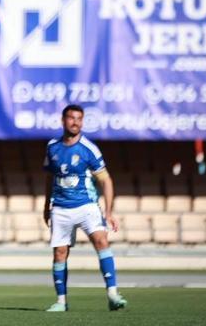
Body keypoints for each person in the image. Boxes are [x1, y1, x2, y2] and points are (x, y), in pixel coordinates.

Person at [44, 104, 127, 312]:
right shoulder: (52, 146)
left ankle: (113, 295)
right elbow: (49, 177)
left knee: (101, 240)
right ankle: (61, 302)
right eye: (71, 118)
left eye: (79, 119)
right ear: (63, 120)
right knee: (60, 254)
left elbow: (106, 181)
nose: (75, 122)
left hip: (86, 205)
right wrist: (46, 205)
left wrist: (108, 212)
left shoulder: (89, 149)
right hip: (61, 208)